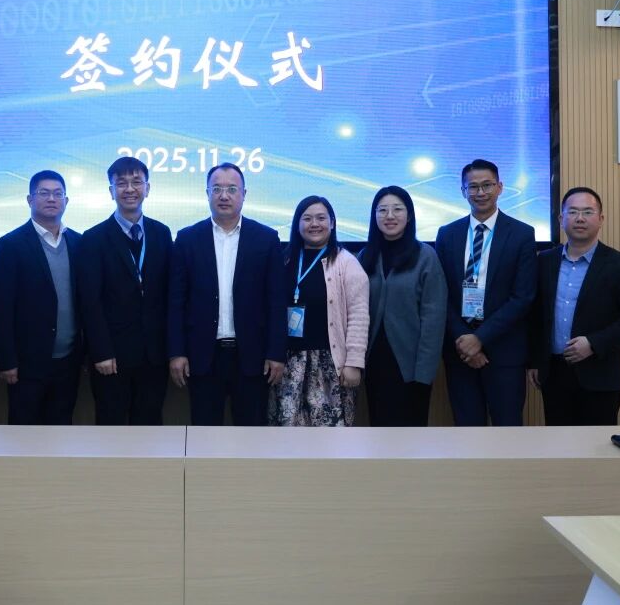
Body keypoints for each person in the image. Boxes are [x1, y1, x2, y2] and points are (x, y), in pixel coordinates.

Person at [167, 163, 285, 426]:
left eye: (232, 189)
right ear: (207, 193)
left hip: (252, 357)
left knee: (251, 433)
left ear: (244, 194)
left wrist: (276, 352)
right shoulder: (187, 239)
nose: (224, 195)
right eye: (217, 189)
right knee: (205, 434)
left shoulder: (266, 239)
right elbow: (176, 302)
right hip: (203, 356)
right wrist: (177, 352)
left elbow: (276, 301)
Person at [527, 187, 620, 426]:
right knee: (558, 442)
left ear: (600, 219)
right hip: (554, 373)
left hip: (599, 373)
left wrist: (593, 343)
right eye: (572, 212)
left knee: (597, 444)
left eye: (587, 212)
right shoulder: (545, 261)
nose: (580, 218)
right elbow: (535, 316)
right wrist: (534, 361)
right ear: (561, 219)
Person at [433, 159, 536, 426]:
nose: (480, 192)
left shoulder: (522, 234)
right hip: (460, 353)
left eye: (487, 185)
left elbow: (523, 297)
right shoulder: (447, 234)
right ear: (463, 191)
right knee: (467, 430)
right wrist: (464, 340)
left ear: (500, 187)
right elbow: (440, 294)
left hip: (504, 353)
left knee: (507, 430)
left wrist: (480, 338)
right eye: (473, 187)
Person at [76, 157, 172, 425]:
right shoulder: (93, 239)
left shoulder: (162, 233)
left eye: (136, 182)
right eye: (121, 183)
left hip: (154, 355)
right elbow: (90, 302)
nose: (130, 189)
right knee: (111, 427)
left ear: (147, 188)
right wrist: (101, 352)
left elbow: (169, 295)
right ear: (111, 191)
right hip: (112, 356)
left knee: (150, 425)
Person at [0, 170, 83, 425]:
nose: (51, 198)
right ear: (30, 199)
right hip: (26, 364)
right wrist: (7, 361)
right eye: (44, 193)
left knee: (61, 429)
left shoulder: (78, 242)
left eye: (58, 193)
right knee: (24, 433)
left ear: (66, 200)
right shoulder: (11, 244)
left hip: (68, 361)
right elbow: (0, 308)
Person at [268, 196, 368, 427]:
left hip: (330, 365)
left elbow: (359, 316)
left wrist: (354, 363)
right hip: (288, 363)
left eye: (321, 218)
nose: (314, 224)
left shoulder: (346, 262)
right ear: (297, 224)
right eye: (307, 218)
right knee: (286, 434)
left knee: (329, 436)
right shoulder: (285, 259)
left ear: (332, 223)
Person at [359, 186, 447, 427]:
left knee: (411, 437)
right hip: (374, 362)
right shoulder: (365, 256)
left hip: (411, 367)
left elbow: (434, 318)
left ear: (409, 216)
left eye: (397, 209)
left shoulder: (426, 256)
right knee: (379, 431)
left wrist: (424, 373)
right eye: (382, 210)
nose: (390, 216)